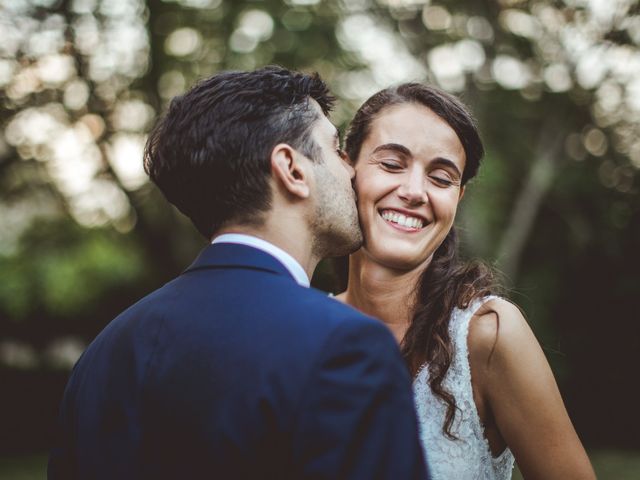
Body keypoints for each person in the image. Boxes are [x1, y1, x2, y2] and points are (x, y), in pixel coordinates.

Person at [48, 67, 428, 479]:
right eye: (335, 148)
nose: (352, 171)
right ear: (292, 169)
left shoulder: (104, 352)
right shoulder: (345, 345)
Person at [336, 83, 596, 479]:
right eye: (391, 164)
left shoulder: (487, 336)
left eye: (441, 178)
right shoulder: (303, 327)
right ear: (346, 168)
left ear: (458, 198)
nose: (413, 191)